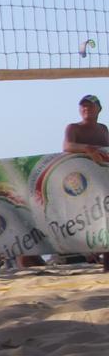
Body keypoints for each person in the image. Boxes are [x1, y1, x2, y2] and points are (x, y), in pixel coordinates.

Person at [62, 94, 109, 271]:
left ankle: (104, 261)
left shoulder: (103, 129)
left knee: (104, 219)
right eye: (83, 106)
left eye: (90, 106)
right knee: (87, 219)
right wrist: (87, 148)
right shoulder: (73, 128)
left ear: (99, 109)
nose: (86, 109)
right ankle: (90, 253)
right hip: (80, 184)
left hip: (102, 181)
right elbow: (67, 146)